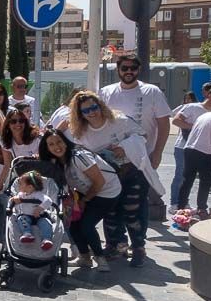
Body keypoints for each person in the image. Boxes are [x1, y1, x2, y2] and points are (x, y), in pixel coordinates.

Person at [67, 91, 156, 267]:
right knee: (111, 214)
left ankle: (138, 248)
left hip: (132, 173)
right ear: (80, 114)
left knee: (132, 213)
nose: (91, 113)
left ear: (101, 106)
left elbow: (143, 135)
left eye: (94, 107)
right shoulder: (81, 133)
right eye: (85, 111)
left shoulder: (120, 121)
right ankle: (115, 246)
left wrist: (125, 147)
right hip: (109, 179)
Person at [39, 128, 119, 272]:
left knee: (86, 225)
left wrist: (84, 200)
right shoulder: (57, 162)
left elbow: (99, 182)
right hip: (87, 191)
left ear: (66, 142)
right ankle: (84, 257)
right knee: (73, 223)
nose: (56, 147)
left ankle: (100, 258)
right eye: (51, 144)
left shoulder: (78, 156)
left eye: (59, 142)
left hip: (107, 192)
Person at [99, 54, 171, 171]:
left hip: (144, 158)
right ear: (118, 69)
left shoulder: (152, 92)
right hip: (112, 159)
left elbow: (164, 125)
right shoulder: (105, 92)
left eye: (133, 68)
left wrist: (158, 153)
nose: (129, 71)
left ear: (138, 69)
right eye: (124, 68)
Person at [169, 88, 211, 212]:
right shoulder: (192, 107)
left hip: (201, 150)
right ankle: (174, 203)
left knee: (191, 178)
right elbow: (176, 120)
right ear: (209, 95)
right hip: (183, 146)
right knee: (180, 176)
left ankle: (185, 203)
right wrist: (195, 128)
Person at [10, 171, 54, 249]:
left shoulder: (38, 195)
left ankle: (46, 239)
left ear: (30, 187)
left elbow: (48, 201)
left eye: (21, 184)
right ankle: (27, 233)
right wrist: (14, 199)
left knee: (46, 224)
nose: (18, 185)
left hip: (40, 216)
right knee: (21, 219)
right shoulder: (21, 194)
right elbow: (13, 200)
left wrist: (39, 208)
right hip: (27, 216)